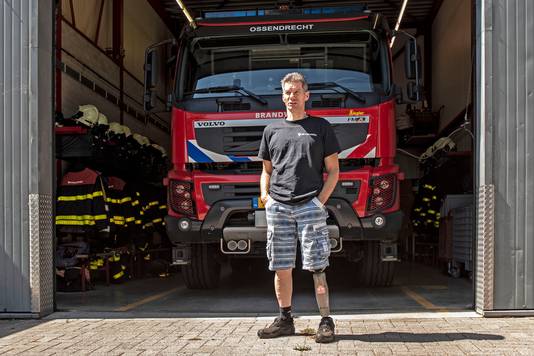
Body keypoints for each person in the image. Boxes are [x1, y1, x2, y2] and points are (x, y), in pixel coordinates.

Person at [257, 72, 340, 343]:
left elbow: (334, 171)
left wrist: (319, 202)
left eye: (296, 92)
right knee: (281, 265)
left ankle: (326, 321)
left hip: (310, 205)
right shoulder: (271, 131)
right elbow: (266, 171)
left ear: (306, 95)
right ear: (282, 97)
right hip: (278, 206)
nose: (291, 97)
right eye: (287, 93)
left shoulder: (321, 127)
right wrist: (265, 198)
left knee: (317, 265)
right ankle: (285, 319)